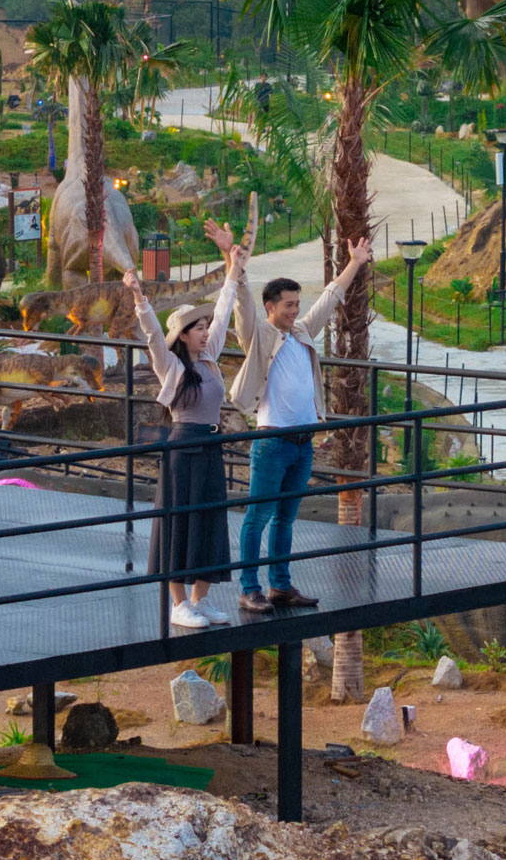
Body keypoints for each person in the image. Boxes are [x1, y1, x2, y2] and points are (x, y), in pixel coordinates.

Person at [208, 219, 370, 614]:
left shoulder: (301, 332)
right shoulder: (260, 335)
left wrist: (355, 262)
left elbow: (329, 299)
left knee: (285, 519)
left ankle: (280, 585)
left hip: (303, 443)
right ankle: (250, 587)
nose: (295, 310)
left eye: (297, 304)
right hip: (273, 442)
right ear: (271, 307)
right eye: (288, 305)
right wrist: (233, 258)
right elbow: (243, 304)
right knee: (258, 517)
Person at [126, 245, 241, 629]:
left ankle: (200, 600)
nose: (206, 332)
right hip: (183, 447)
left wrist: (233, 272)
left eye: (206, 327)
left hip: (210, 445)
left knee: (209, 520)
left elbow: (224, 312)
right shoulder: (172, 367)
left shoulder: (210, 358)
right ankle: (178, 604)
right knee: (178, 522)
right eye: (198, 328)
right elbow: (154, 336)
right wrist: (141, 299)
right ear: (184, 335)